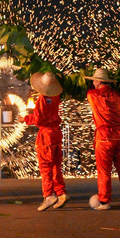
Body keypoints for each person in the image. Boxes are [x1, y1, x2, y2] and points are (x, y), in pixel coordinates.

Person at [86, 68, 120, 210]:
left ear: (98, 81)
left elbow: (89, 90)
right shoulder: (116, 94)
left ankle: (104, 201)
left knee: (104, 170)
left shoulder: (92, 95)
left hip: (104, 137)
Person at [18, 72, 69, 211]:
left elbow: (39, 119)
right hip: (56, 134)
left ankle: (48, 195)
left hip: (46, 135)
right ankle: (61, 193)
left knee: (45, 167)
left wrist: (26, 119)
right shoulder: (55, 96)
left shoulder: (42, 98)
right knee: (56, 166)